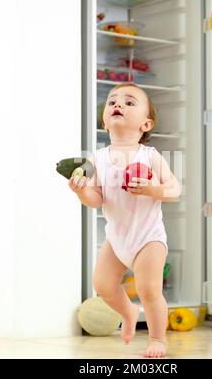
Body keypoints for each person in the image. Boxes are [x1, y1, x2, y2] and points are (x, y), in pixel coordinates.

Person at [69, 83, 181, 358]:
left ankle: (157, 339)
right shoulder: (97, 159)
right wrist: (82, 191)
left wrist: (154, 189)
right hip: (117, 238)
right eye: (112, 102)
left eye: (130, 102)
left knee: (148, 288)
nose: (118, 105)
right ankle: (128, 311)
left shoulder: (151, 156)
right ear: (105, 119)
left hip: (148, 238)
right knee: (103, 285)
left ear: (146, 124)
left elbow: (175, 190)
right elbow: (97, 200)